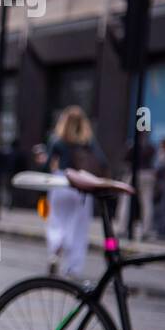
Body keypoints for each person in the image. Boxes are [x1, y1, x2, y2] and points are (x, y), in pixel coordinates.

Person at [45, 105, 107, 278]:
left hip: (60, 182)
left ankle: (56, 249)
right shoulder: (88, 141)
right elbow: (102, 162)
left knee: (57, 221)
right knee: (78, 228)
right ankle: (73, 267)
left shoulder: (56, 140)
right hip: (81, 185)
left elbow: (46, 164)